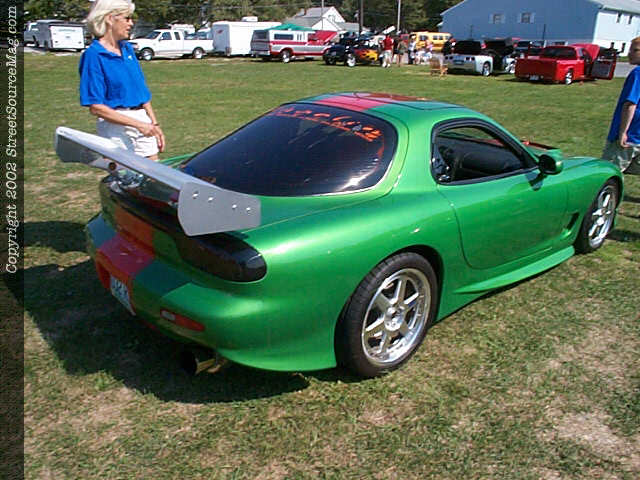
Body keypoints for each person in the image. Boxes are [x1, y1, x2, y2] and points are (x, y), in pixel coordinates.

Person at [79, 0, 165, 160]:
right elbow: (96, 107)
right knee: (126, 174)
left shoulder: (127, 49)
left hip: (143, 120)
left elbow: (141, 93)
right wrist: (139, 125)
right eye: (127, 18)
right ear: (110, 19)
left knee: (154, 172)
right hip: (116, 126)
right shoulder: (94, 55)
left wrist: (154, 124)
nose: (131, 23)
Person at [603, 37, 640, 174]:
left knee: (608, 172)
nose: (630, 53)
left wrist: (623, 132)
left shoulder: (637, 73)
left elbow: (630, 104)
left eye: (635, 50)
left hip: (629, 135)